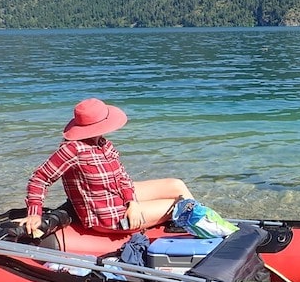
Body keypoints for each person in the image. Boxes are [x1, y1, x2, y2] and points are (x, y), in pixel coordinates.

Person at [23, 98, 193, 235]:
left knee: (176, 185)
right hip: (109, 217)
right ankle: (195, 224)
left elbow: (122, 177)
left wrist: (132, 203)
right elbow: (40, 178)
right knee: (176, 205)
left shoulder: (104, 144)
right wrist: (34, 213)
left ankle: (203, 221)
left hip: (120, 198)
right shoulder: (72, 149)